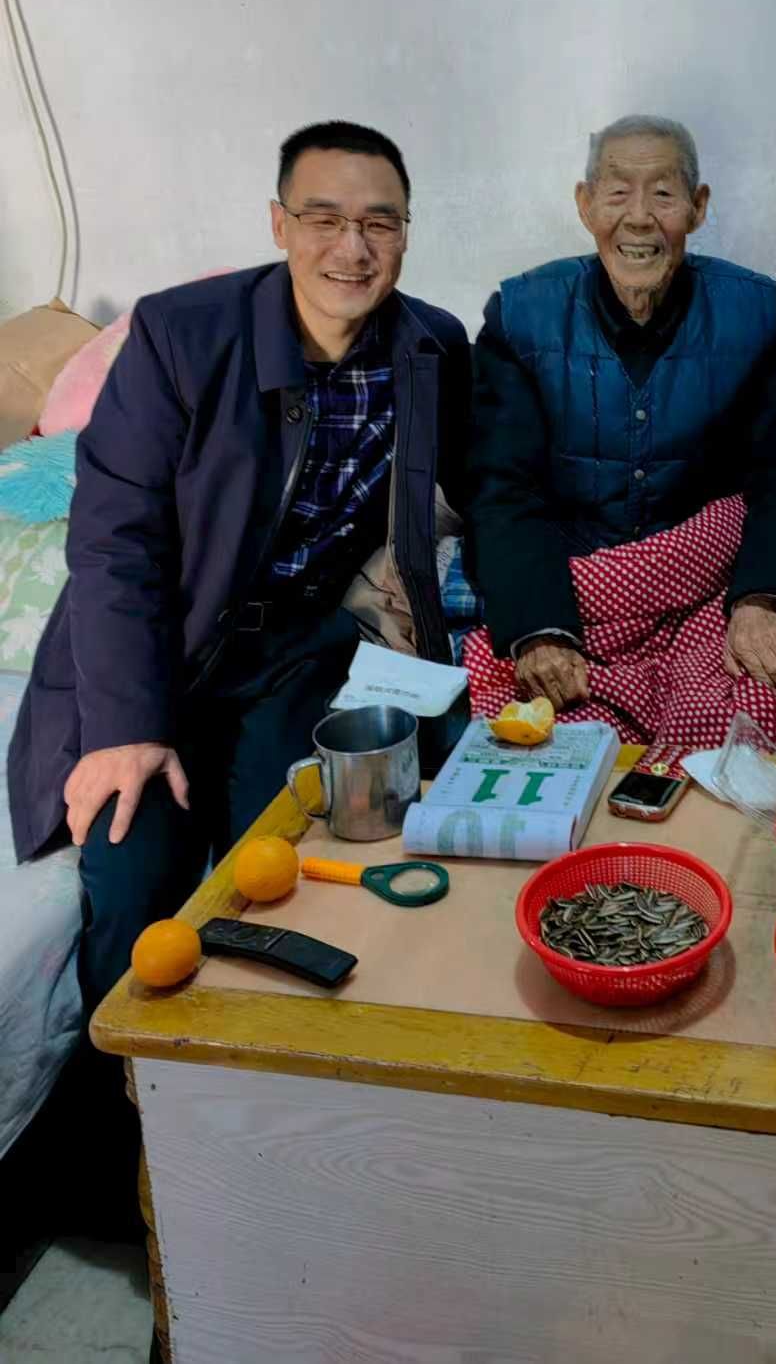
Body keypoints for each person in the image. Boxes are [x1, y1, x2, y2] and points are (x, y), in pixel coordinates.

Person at [8, 121, 471, 1012]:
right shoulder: (181, 335)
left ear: (406, 232)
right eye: (324, 218)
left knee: (291, 868)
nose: (352, 248)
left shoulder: (432, 347)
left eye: (379, 223)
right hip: (157, 654)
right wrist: (126, 728)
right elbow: (114, 542)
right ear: (279, 223)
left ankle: (264, 1072)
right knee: (138, 895)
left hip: (295, 656)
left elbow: (491, 488)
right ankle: (128, 1082)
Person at [468, 115, 776, 710]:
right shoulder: (522, 317)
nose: (639, 217)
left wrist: (762, 600)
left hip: (711, 589)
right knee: (533, 716)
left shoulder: (757, 315)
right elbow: (503, 490)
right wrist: (540, 630)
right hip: (568, 587)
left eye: (663, 193)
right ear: (586, 206)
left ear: (698, 206)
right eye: (617, 192)